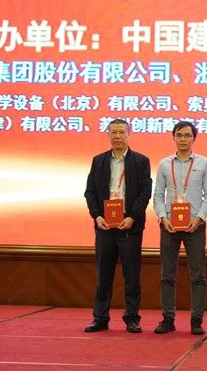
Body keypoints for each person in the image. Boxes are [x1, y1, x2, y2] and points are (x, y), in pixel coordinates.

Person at [84, 118, 152, 333]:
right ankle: (100, 318)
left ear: (129, 134)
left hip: (129, 227)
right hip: (105, 226)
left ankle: (132, 318)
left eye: (122, 132)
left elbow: (145, 193)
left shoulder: (141, 161)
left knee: (131, 276)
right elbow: (90, 192)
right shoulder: (99, 161)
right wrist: (97, 216)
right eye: (113, 132)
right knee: (103, 276)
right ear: (108, 135)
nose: (118, 136)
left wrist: (132, 217)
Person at [152, 121, 207, 335]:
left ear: (193, 138)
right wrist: (163, 217)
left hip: (194, 226)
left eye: (187, 135)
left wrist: (199, 218)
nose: (183, 139)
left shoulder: (203, 163)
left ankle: (196, 320)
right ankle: (168, 319)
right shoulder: (164, 164)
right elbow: (158, 195)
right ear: (174, 137)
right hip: (169, 226)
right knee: (167, 275)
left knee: (197, 276)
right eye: (179, 135)